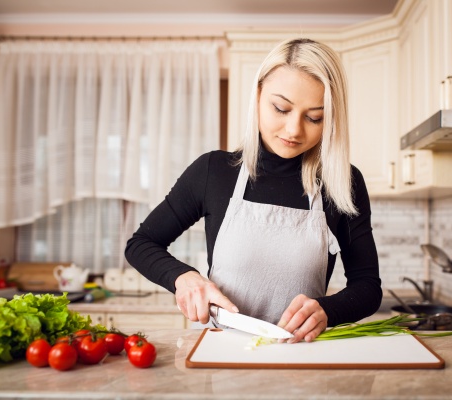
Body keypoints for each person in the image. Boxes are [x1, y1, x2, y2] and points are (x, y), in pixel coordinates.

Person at [125, 38, 382, 343]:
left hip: (300, 361)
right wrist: (184, 278)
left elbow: (367, 287)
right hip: (221, 354)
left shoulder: (342, 183)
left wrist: (328, 310)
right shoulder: (214, 172)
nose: (293, 130)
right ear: (258, 95)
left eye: (314, 117)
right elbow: (141, 244)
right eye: (281, 108)